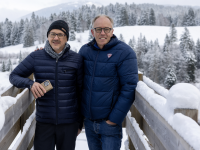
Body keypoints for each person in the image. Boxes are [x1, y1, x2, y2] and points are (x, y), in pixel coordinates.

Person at [9, 20, 83, 150]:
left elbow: (81, 90)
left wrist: (80, 123)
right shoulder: (36, 57)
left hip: (69, 122)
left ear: (66, 38)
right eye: (52, 34)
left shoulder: (76, 59)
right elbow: (14, 76)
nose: (55, 38)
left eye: (60, 34)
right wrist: (30, 84)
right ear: (47, 36)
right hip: (44, 122)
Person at [78, 15, 139, 150]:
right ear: (92, 32)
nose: (103, 33)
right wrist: (44, 54)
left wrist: (113, 120)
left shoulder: (125, 53)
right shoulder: (85, 51)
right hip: (89, 122)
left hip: (109, 124)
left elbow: (129, 87)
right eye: (98, 29)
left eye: (107, 29)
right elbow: (76, 80)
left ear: (112, 31)